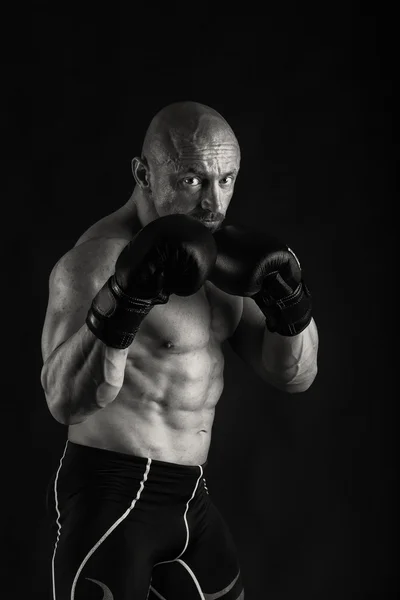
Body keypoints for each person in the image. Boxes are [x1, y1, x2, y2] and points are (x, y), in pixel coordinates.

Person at [41, 101, 319, 600]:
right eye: (192, 180)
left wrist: (289, 302)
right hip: (111, 495)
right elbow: (64, 400)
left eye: (227, 180)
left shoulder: (227, 258)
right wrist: (125, 299)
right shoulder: (98, 259)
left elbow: (294, 374)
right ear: (143, 174)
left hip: (190, 497)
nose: (213, 204)